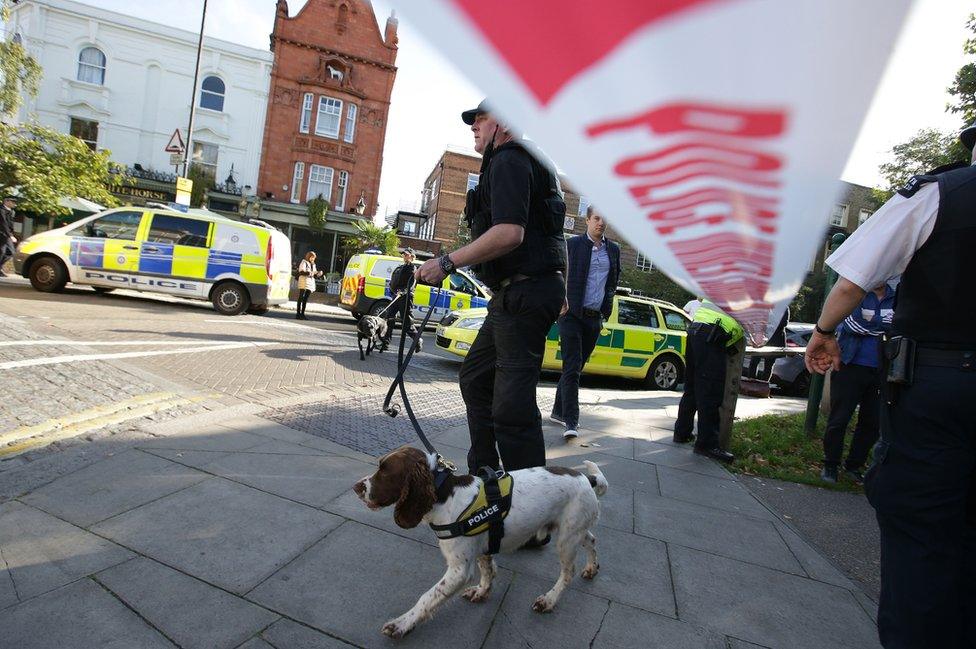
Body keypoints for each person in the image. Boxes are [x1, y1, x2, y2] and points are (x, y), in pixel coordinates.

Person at [805, 122, 976, 648]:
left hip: (944, 388)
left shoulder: (940, 195)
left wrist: (824, 330)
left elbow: (854, 276)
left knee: (922, 532)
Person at [417, 99, 567, 482]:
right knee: (476, 378)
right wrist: (558, 279)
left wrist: (447, 262)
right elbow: (547, 231)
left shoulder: (509, 159)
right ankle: (485, 471)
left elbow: (510, 232)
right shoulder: (530, 159)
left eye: (480, 119)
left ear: (502, 122)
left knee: (512, 407)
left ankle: (533, 507)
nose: (473, 126)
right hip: (519, 294)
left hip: (523, 294)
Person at [550, 206, 620, 440]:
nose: (600, 223)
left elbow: (612, 283)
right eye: (596, 218)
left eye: (604, 219)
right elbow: (557, 274)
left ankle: (558, 411)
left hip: (594, 318)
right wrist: (560, 300)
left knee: (576, 368)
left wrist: (606, 310)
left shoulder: (614, 250)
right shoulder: (573, 245)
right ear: (588, 220)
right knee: (572, 367)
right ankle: (572, 421)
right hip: (571, 315)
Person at [820, 283, 895, 484]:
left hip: (881, 370)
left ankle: (854, 465)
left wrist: (872, 322)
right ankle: (830, 465)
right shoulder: (856, 294)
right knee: (839, 418)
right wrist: (883, 325)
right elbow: (852, 324)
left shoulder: (895, 297)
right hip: (850, 365)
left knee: (871, 422)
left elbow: (898, 327)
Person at [672, 299, 744, 463]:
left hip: (697, 329)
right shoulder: (748, 284)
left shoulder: (721, 276)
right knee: (710, 391)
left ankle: (682, 433)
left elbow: (700, 297)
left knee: (692, 386)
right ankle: (707, 445)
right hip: (713, 334)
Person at [384, 248, 422, 352]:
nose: (404, 256)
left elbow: (411, 284)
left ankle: (417, 340)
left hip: (405, 298)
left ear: (412, 257)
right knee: (389, 318)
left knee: (406, 323)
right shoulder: (400, 267)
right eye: (404, 254)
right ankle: (385, 343)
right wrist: (392, 290)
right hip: (396, 296)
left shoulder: (412, 269)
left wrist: (403, 291)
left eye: (407, 255)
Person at [295, 251, 322, 320]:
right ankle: (298, 314)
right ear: (309, 256)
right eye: (312, 257)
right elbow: (301, 272)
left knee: (306, 298)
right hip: (304, 281)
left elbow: (314, 274)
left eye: (314, 258)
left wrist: (318, 274)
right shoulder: (304, 262)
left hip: (310, 282)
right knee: (301, 297)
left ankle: (303, 314)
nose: (313, 259)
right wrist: (311, 273)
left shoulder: (313, 264)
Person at [0, 195, 17, 277]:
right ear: (6, 201)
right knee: (2, 252)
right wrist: (10, 236)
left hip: (7, 235)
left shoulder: (11, 212)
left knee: (11, 252)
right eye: (13, 202)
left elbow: (10, 225)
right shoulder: (1, 210)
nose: (14, 204)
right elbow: (3, 224)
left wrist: (11, 234)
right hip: (2, 234)